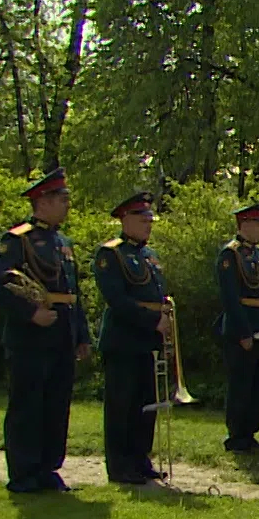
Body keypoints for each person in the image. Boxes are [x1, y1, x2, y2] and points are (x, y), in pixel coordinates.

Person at [0, 168, 91, 493]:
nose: (67, 205)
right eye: (62, 199)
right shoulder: (17, 239)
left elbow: (71, 293)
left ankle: (48, 469)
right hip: (30, 338)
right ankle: (23, 473)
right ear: (43, 201)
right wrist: (31, 312)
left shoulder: (63, 242)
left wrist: (81, 335)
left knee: (55, 405)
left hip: (61, 334)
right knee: (28, 405)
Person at [93, 192, 173, 485]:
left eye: (150, 219)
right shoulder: (110, 254)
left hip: (148, 340)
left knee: (145, 405)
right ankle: (120, 465)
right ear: (125, 219)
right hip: (124, 340)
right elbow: (118, 300)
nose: (148, 224)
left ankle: (140, 459)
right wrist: (154, 320)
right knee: (121, 406)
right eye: (142, 219)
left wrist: (164, 317)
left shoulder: (149, 256)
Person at [216, 201, 259, 453]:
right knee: (241, 383)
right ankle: (236, 435)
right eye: (258, 223)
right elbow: (231, 298)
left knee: (257, 382)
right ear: (244, 225)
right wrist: (243, 332)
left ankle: (250, 432)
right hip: (243, 327)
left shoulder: (257, 255)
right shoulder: (230, 255)